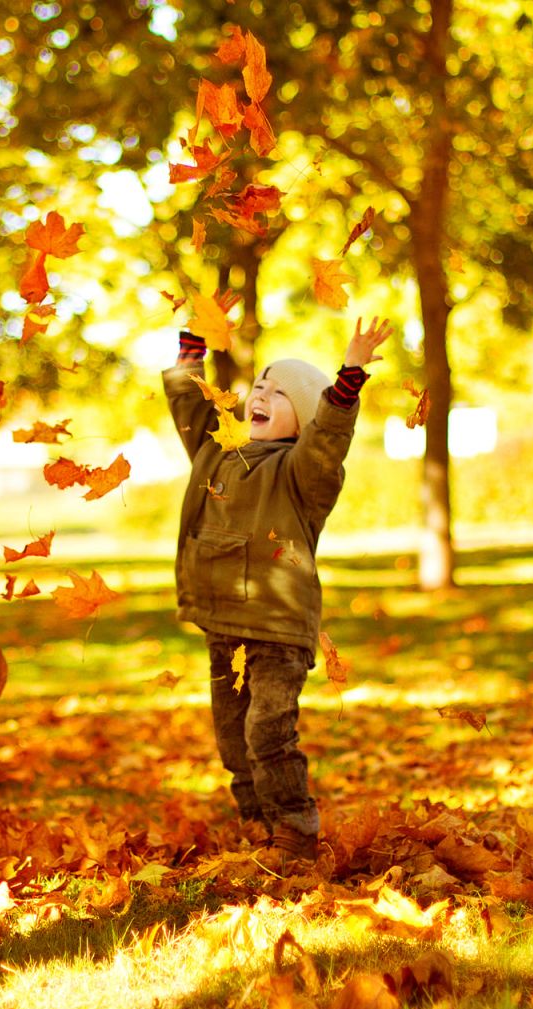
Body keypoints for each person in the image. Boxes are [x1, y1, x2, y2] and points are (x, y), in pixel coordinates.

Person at [164, 312, 394, 869]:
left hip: (276, 630)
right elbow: (191, 408)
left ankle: (294, 831)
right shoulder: (218, 451)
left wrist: (350, 376)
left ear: (302, 420)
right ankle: (257, 820)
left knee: (267, 729)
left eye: (278, 392)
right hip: (224, 626)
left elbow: (329, 437)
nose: (260, 394)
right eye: (259, 387)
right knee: (232, 740)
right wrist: (193, 350)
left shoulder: (302, 473)